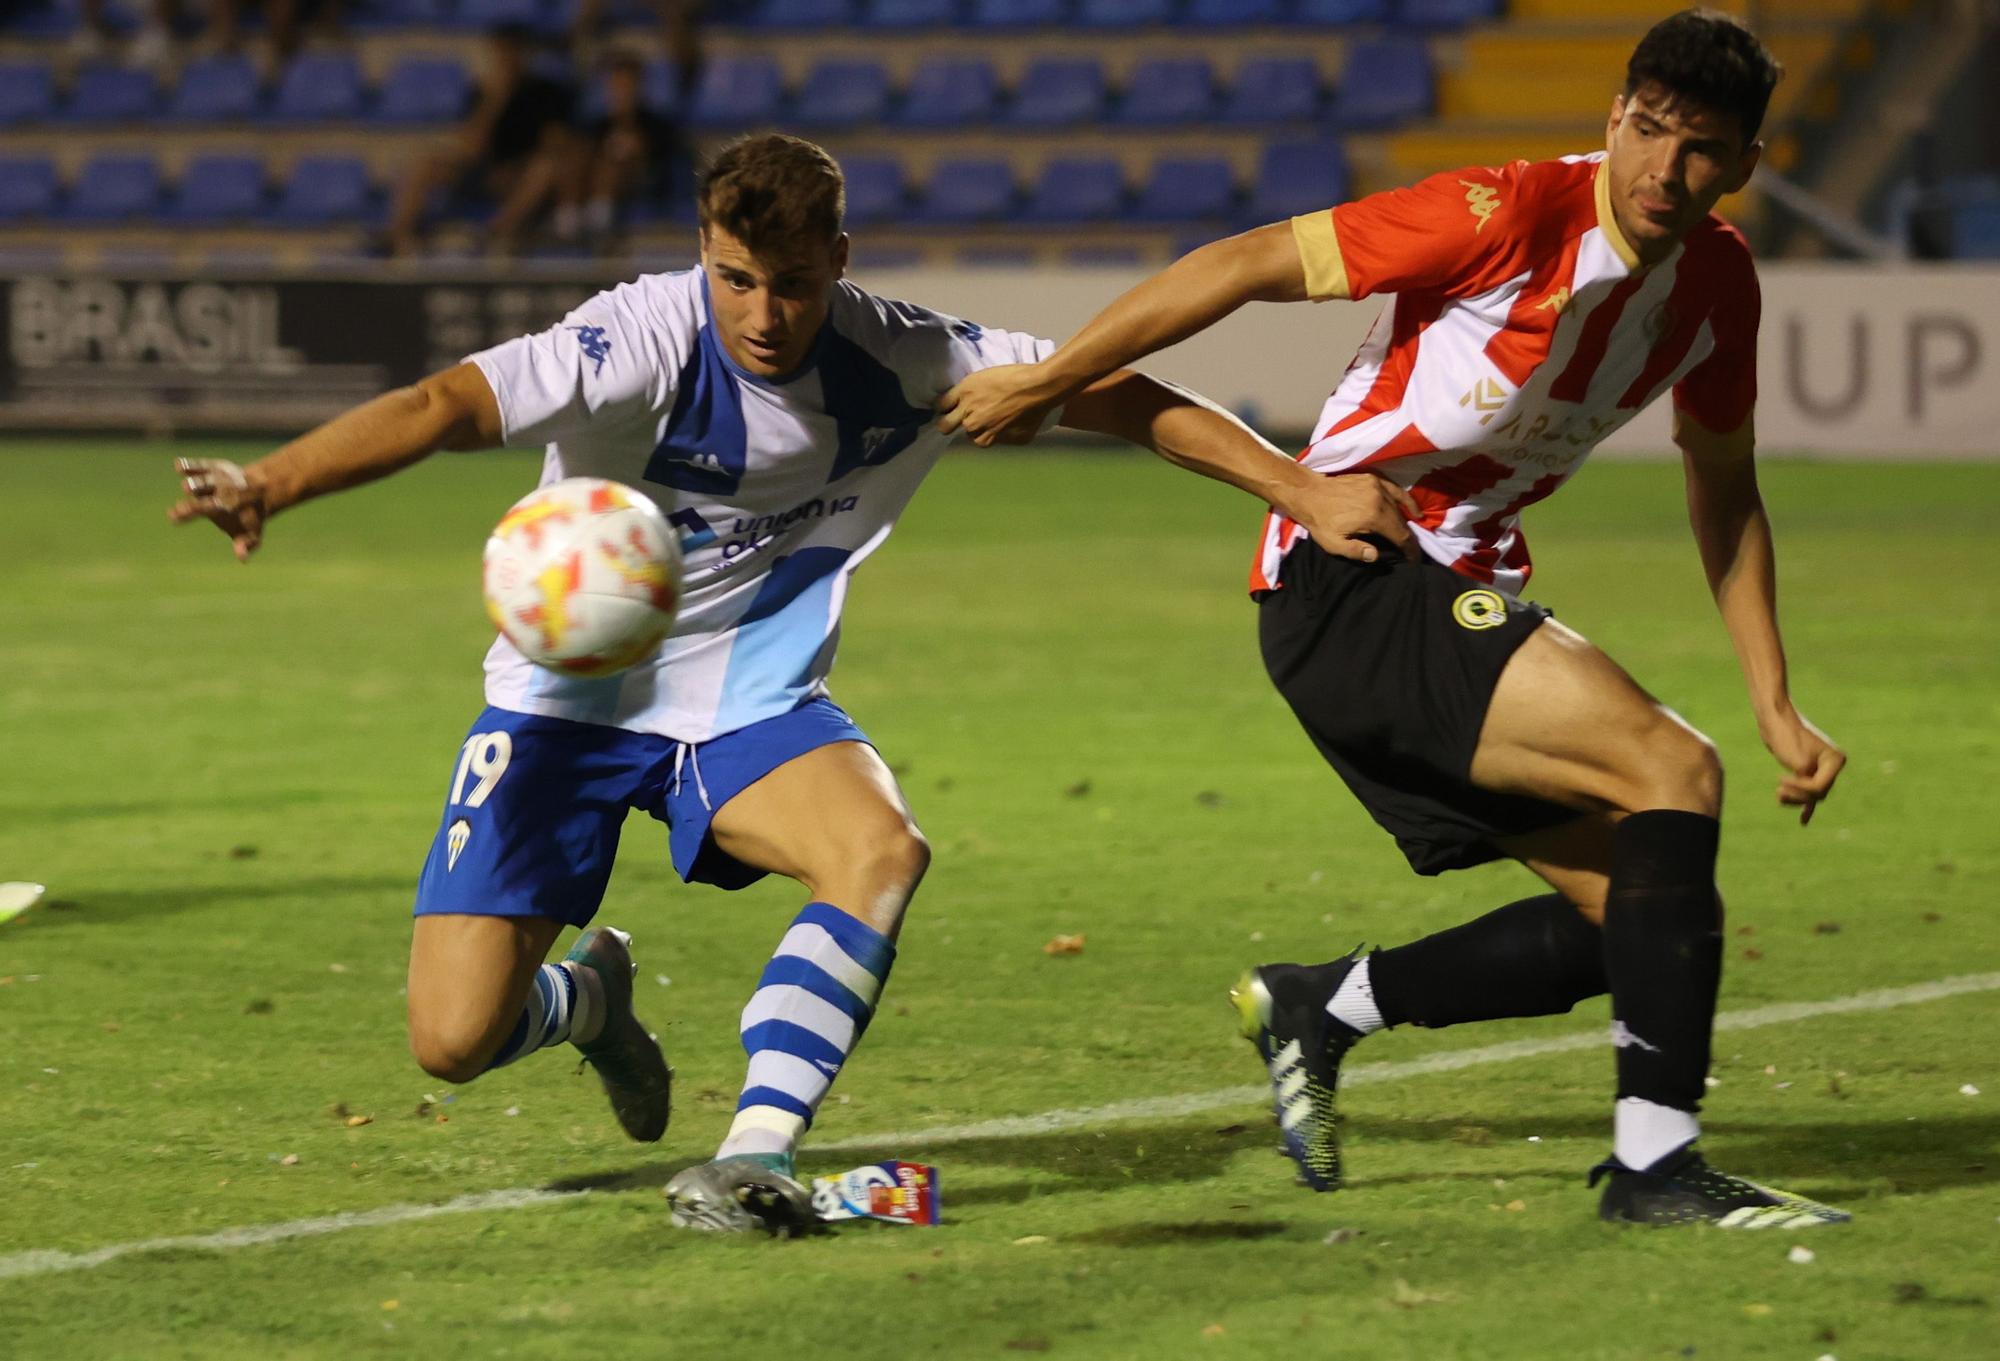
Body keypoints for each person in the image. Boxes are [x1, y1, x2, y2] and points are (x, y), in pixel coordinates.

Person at [169, 133, 1410, 1235]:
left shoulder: (905, 354)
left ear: (840, 259)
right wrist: (271, 481)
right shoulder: (635, 337)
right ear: (701, 256)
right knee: (452, 1040)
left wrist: (1298, 487)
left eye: (795, 282)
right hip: (563, 697)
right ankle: (590, 1001)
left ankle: (755, 1152)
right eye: (736, 278)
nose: (763, 313)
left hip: (744, 695)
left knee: (878, 847)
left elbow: (1111, 391)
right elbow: (445, 401)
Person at [939, 10, 1851, 1228]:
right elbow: (1244, 262)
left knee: (1625, 920)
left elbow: (1723, 487)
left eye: (1700, 149)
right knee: (1669, 769)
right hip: (1349, 574)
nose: (1661, 171)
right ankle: (1654, 1170)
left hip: (1453, 590)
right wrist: (1050, 381)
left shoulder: (1718, 285)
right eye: (1647, 131)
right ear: (1612, 118)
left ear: (1741, 164)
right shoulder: (1503, 213)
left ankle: (1323, 1004)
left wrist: (1774, 694)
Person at [382, 25, 581, 259]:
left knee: (544, 170)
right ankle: (399, 235)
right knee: (424, 163)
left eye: (512, 51)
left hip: (521, 173)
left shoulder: (545, 93)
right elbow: (470, 147)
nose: (506, 59)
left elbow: (556, 143)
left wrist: (517, 166)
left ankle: (496, 231)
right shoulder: (483, 92)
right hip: (483, 170)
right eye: (501, 52)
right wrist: (495, 100)